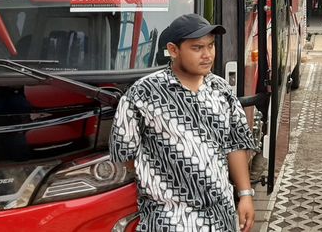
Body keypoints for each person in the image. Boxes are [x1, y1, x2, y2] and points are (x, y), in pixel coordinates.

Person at [110, 13, 257, 232]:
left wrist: (245, 194)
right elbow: (126, 156)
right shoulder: (142, 94)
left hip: (220, 219)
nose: (207, 55)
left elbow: (235, 145)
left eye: (211, 46)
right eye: (197, 48)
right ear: (173, 50)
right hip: (168, 221)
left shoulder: (222, 91)